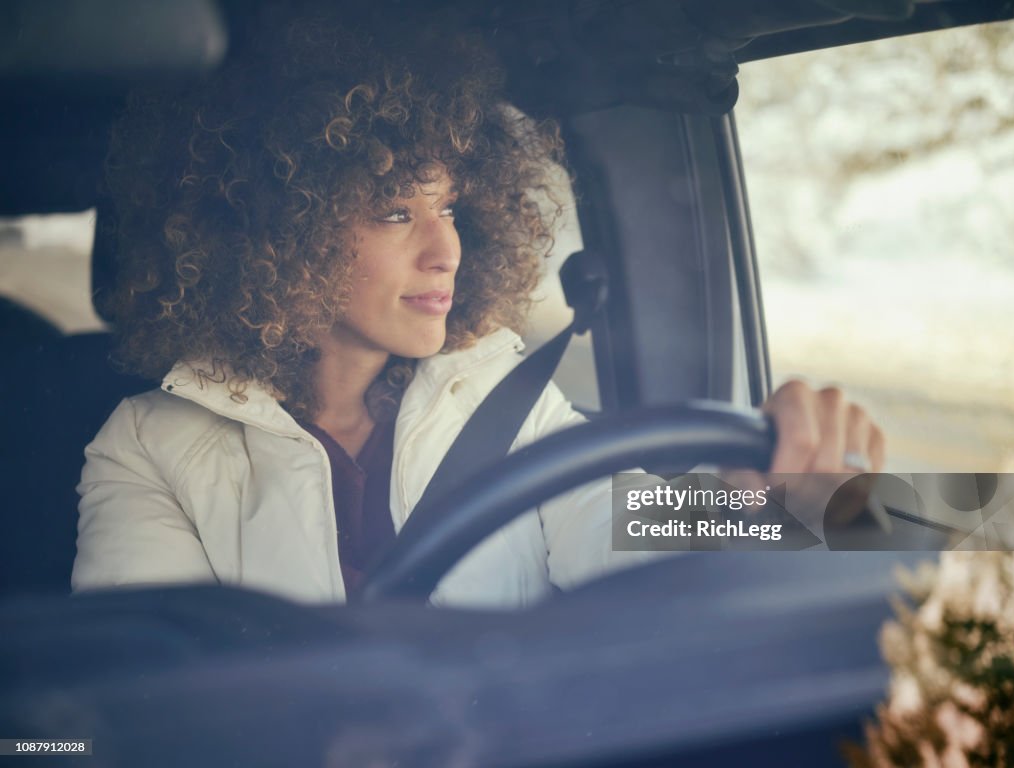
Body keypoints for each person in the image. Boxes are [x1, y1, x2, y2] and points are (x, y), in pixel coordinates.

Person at [72, 10, 885, 609]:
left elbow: (625, 525)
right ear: (277, 228)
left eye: (452, 209)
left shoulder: (508, 398)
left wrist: (763, 508)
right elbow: (151, 688)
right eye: (396, 211)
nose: (446, 250)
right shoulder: (151, 446)